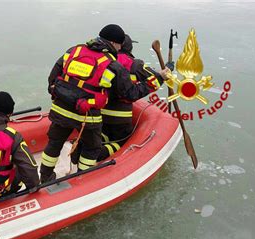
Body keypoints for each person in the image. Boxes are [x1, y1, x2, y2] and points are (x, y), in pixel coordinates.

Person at [41, 24, 169, 182]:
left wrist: (61, 94)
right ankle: (82, 180)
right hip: (87, 115)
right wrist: (159, 79)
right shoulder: (113, 65)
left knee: (54, 142)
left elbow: (53, 78)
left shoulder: (74, 51)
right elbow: (130, 94)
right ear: (115, 43)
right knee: (92, 148)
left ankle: (45, 176)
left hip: (60, 108)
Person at [97, 34, 172, 161]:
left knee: (103, 134)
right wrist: (168, 69)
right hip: (120, 117)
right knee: (123, 141)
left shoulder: (104, 59)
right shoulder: (135, 64)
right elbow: (155, 76)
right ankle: (101, 153)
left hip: (100, 111)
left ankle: (90, 145)